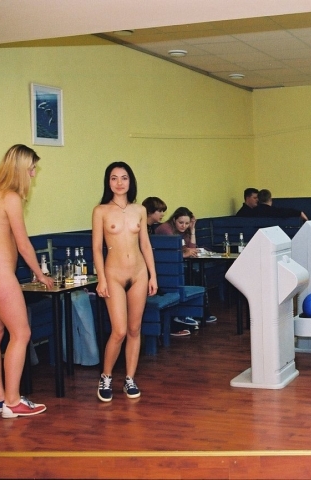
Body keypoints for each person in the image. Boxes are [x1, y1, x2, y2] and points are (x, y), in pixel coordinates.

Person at [0, 144, 53, 418]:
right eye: (31, 169)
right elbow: (23, 243)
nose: (33, 174)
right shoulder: (11, 197)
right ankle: (13, 401)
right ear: (20, 169)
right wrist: (40, 274)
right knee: (21, 333)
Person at [93, 162, 158, 402]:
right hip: (114, 275)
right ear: (108, 182)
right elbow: (96, 248)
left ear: (130, 181)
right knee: (119, 330)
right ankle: (106, 376)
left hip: (139, 273)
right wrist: (101, 279)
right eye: (114, 178)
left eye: (124, 178)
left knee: (134, 329)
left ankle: (130, 378)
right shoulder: (100, 211)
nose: (119, 182)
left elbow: (145, 245)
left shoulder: (139, 209)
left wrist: (153, 275)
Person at [156, 206, 218, 329]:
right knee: (194, 273)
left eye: (187, 223)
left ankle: (199, 311)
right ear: (174, 220)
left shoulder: (184, 231)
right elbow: (173, 251)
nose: (184, 226)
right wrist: (185, 252)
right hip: (166, 267)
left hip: (179, 263)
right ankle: (189, 313)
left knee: (197, 272)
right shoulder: (166, 229)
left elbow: (192, 249)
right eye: (181, 222)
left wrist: (192, 230)